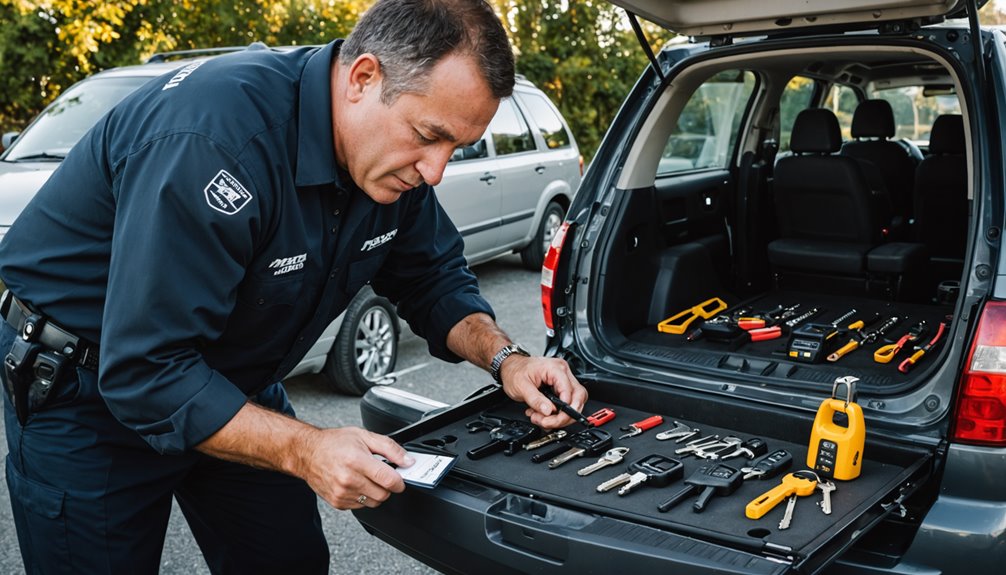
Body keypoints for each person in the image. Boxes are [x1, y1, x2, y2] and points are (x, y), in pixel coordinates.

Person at [0, 0, 588, 573]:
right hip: (88, 392)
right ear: (363, 78)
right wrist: (306, 448)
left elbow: (433, 278)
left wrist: (505, 358)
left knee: (287, 559)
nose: (434, 170)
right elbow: (147, 372)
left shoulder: (385, 164)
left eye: (455, 148)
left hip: (233, 382)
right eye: (427, 135)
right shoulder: (215, 144)